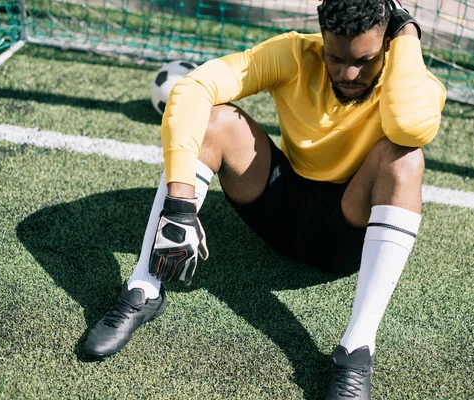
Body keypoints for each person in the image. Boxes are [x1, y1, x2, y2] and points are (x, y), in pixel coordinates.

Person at [84, 0, 446, 398]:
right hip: (281, 210)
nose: (349, 73)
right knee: (215, 120)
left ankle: (356, 350)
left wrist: (408, 31)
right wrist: (180, 205)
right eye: (335, 58)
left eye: (365, 59)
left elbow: (411, 126)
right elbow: (194, 88)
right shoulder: (293, 53)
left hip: (349, 232)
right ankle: (144, 288)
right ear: (322, 41)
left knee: (404, 157)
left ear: (387, 42)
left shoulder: (408, 77)